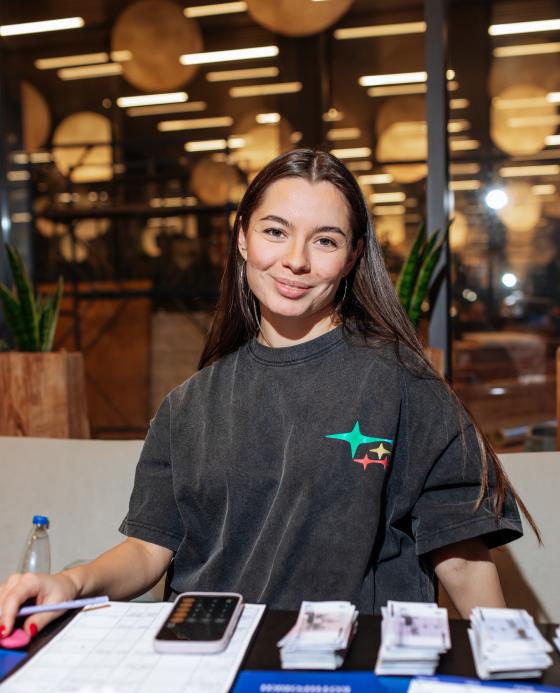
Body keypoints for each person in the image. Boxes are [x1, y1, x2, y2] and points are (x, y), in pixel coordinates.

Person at [0, 149, 537, 641]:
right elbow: (148, 549)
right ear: (242, 237)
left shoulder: (403, 383)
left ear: (352, 256)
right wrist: (70, 583)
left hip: (347, 665)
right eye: (276, 231)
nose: (296, 260)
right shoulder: (187, 404)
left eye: (325, 240)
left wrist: (513, 668)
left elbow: (460, 554)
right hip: (207, 659)